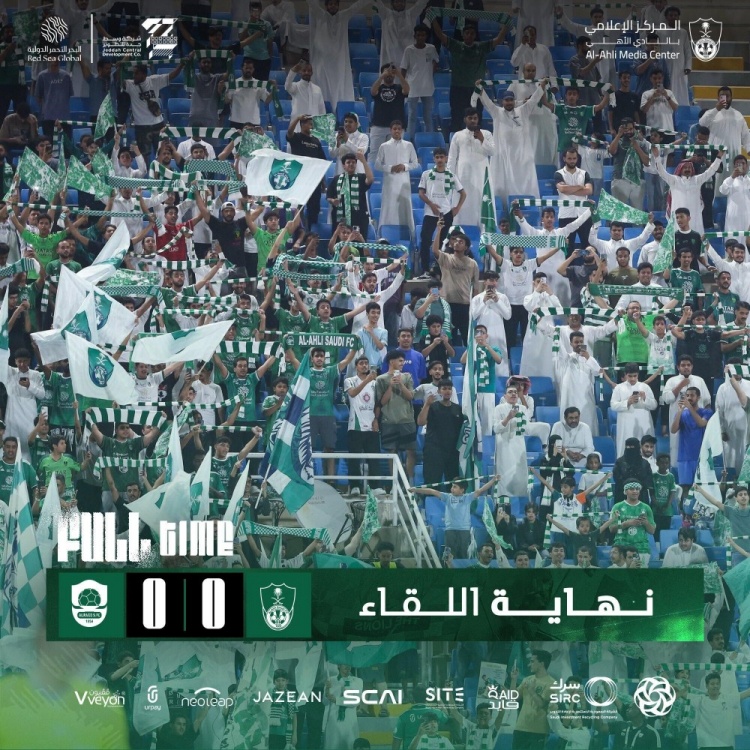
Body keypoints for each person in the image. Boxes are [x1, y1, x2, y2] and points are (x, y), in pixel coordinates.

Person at [476, 78, 548, 207]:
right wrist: (480, 88)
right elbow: (486, 102)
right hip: (504, 156)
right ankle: (503, 207)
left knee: (524, 182)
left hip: (521, 157)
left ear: (514, 101)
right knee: (502, 184)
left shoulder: (523, 110)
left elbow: (534, 99)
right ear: (502, 102)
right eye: (506, 100)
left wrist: (542, 86)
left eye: (511, 100)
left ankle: (528, 207)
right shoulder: (496, 112)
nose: (509, 102)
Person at [430, 20, 509, 133]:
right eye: (467, 33)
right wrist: (433, 19)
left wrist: (506, 24)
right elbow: (439, 34)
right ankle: (455, 140)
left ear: (475, 35)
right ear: (463, 34)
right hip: (458, 88)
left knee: (476, 118)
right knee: (456, 117)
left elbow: (498, 40)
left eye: (472, 33)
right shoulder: (456, 45)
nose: (469, 35)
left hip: (476, 89)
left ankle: (477, 140)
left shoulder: (481, 47)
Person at [515, 203, 594, 306]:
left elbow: (576, 223)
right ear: (542, 219)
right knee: (541, 304)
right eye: (547, 217)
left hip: (559, 273)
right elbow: (526, 227)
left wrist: (589, 210)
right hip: (543, 273)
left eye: (551, 217)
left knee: (563, 304)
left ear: (554, 219)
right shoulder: (537, 234)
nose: (549, 219)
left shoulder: (561, 233)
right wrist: (520, 217)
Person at [411, 476, 500, 558]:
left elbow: (481, 490)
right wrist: (415, 489)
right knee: (449, 556)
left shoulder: (467, 497)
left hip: (464, 531)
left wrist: (493, 480)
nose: (451, 489)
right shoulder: (447, 497)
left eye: (454, 487)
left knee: (463, 556)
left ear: (462, 490)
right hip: (450, 531)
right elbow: (431, 491)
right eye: (452, 486)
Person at [308, 0, 371, 108]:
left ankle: (340, 110)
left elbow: (356, 6)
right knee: (323, 86)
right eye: (330, 4)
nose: (333, 6)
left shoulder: (344, 16)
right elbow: (311, 3)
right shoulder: (320, 15)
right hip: (323, 62)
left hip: (339, 61)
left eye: (335, 4)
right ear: (326, 6)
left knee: (340, 86)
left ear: (338, 6)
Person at [652, 147, 725, 236]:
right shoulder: (674, 180)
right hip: (678, 215)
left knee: (696, 235)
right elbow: (661, 172)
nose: (687, 169)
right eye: (685, 168)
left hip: (694, 215)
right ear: (680, 169)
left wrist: (718, 157)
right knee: (677, 235)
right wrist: (657, 158)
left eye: (689, 168)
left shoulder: (697, 180)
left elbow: (711, 170)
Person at [417, 146, 466, 275]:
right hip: (430, 213)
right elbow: (421, 193)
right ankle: (425, 270)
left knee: (444, 242)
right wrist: (431, 205)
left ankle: (440, 270)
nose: (439, 160)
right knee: (425, 240)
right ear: (434, 159)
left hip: (446, 213)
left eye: (442, 157)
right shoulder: (426, 174)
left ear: (446, 158)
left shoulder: (451, 176)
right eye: (437, 157)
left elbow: (463, 193)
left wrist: (457, 208)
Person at [120, 60, 185, 157]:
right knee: (143, 155)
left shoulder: (154, 81)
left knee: (164, 152)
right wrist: (119, 67)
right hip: (141, 126)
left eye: (136, 73)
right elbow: (118, 80)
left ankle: (161, 168)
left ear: (144, 74)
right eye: (133, 73)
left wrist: (182, 64)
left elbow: (171, 76)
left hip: (158, 124)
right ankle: (145, 168)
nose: (134, 76)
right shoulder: (130, 84)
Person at [431, 218, 479, 345]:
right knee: (446, 338)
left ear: (466, 247)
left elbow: (476, 287)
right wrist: (439, 230)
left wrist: (474, 305)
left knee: (467, 339)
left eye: (460, 242)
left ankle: (469, 358)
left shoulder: (473, 263)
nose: (457, 243)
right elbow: (435, 250)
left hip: (464, 305)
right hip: (447, 305)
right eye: (455, 241)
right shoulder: (446, 258)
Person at [446, 107, 494, 227]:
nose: (473, 120)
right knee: (463, 204)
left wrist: (482, 139)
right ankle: (459, 231)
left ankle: (483, 232)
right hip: (463, 177)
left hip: (482, 177)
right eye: (470, 118)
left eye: (475, 118)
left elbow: (492, 152)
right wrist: (450, 178)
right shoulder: (458, 135)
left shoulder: (486, 134)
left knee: (481, 203)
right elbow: (452, 158)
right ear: (465, 119)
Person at [498, 651, 554, 749]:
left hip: (538, 730)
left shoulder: (551, 683)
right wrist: (514, 679)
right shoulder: (527, 679)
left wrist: (531, 691)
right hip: (520, 727)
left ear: (541, 664)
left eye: (532, 661)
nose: (529, 664)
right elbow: (513, 697)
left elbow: (542, 704)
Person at [376, 350, 418, 481]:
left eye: (403, 361)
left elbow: (410, 396)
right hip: (389, 421)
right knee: (391, 452)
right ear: (391, 361)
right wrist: (390, 386)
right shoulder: (381, 379)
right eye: (400, 361)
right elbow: (381, 402)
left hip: (407, 420)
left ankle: (410, 482)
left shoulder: (407, 377)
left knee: (411, 451)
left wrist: (400, 384)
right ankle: (395, 482)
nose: (402, 363)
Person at [699, 86, 750, 189]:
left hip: (734, 155)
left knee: (734, 185)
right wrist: (717, 109)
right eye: (722, 96)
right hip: (716, 156)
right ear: (718, 98)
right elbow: (702, 123)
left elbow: (746, 136)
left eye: (728, 96)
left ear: (731, 98)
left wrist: (749, 150)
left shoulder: (738, 115)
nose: (725, 98)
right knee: (715, 185)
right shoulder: (711, 113)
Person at [553, 335, 602, 442]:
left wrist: (588, 358)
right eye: (576, 342)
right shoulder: (567, 358)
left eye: (581, 341)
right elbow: (559, 346)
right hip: (570, 399)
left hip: (586, 400)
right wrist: (555, 333)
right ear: (571, 344)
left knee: (588, 426)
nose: (579, 344)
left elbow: (598, 372)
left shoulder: (590, 359)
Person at [685, 672, 750, 750]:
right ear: (706, 686)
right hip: (705, 746)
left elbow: (747, 693)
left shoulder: (728, 699)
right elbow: (681, 694)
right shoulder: (700, 700)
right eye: (712, 684)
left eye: (717, 683)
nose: (715, 686)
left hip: (726, 745)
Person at [417, 379, 465, 486]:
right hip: (434, 450)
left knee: (452, 483)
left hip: (452, 451)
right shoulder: (432, 407)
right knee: (432, 481)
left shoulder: (457, 409)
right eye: (444, 389)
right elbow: (420, 422)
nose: (447, 391)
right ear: (439, 391)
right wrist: (427, 404)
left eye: (449, 389)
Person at [375, 120, 419, 234]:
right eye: (394, 129)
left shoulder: (408, 145)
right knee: (388, 206)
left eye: (399, 129)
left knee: (404, 206)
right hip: (389, 182)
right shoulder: (384, 146)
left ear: (402, 131)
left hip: (403, 182)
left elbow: (415, 163)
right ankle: (385, 233)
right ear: (390, 130)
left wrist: (404, 166)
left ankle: (408, 234)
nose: (397, 131)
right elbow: (377, 165)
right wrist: (390, 168)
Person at [400, 23, 440, 142]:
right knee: (412, 116)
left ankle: (429, 139)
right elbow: (403, 69)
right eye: (418, 35)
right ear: (415, 36)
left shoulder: (431, 48)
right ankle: (410, 140)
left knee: (428, 116)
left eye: (423, 35)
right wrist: (403, 85)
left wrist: (431, 72)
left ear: (426, 36)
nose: (421, 37)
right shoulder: (409, 50)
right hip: (412, 86)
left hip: (427, 87)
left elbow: (436, 61)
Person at [552, 147, 595, 252]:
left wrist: (569, 189)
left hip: (584, 215)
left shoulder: (584, 174)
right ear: (564, 159)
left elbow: (589, 191)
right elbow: (562, 189)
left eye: (574, 158)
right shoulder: (558, 174)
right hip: (566, 215)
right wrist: (580, 186)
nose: (572, 161)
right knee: (566, 248)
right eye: (569, 158)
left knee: (588, 246)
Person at [610, 363, 658, 457]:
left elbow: (654, 405)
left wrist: (645, 398)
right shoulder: (619, 388)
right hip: (625, 425)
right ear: (625, 375)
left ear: (638, 375)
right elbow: (613, 406)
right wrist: (627, 402)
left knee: (645, 451)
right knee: (625, 450)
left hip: (644, 424)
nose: (632, 379)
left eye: (635, 376)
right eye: (630, 376)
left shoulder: (645, 387)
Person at [468, 271, 510, 374]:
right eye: (491, 280)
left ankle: (501, 378)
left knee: (499, 360)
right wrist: (484, 301)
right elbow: (473, 316)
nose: (494, 283)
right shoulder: (477, 298)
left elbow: (508, 316)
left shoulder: (503, 297)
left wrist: (497, 301)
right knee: (482, 358)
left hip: (498, 332)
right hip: (482, 333)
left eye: (496, 280)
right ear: (485, 282)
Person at [327, 152, 374, 240]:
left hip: (359, 218)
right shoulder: (336, 179)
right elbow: (329, 196)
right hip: (341, 219)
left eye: (353, 162)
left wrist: (364, 161)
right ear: (344, 166)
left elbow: (370, 179)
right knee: (339, 244)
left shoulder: (361, 177)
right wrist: (333, 201)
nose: (351, 164)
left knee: (358, 244)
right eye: (348, 162)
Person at [493, 385, 530, 498]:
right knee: (504, 474)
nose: (513, 394)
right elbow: (496, 429)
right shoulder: (499, 408)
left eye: (515, 392)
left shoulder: (523, 408)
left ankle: (521, 500)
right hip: (504, 447)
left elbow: (527, 428)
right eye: (510, 392)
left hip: (519, 446)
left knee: (520, 475)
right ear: (505, 396)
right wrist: (508, 417)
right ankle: (503, 501)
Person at [610, 479, 656, 565]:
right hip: (621, 548)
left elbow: (652, 531)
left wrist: (646, 522)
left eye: (637, 489)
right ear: (625, 491)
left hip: (641, 548)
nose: (635, 491)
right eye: (631, 489)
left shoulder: (646, 508)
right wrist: (627, 523)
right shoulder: (617, 507)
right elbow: (611, 529)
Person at [369, 63, 409, 159]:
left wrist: (399, 74)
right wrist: (382, 76)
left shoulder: (399, 88)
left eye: (391, 73)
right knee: (375, 154)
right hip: (378, 125)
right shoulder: (379, 88)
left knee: (394, 155)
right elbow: (373, 92)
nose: (389, 75)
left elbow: (407, 90)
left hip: (396, 127)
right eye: (387, 72)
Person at [323, 663, 364, 750]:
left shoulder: (357, 681)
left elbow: (355, 701)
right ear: (338, 665)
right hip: (333, 721)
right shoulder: (331, 680)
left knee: (349, 746)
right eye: (344, 664)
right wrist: (326, 690)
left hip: (349, 722)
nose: (347, 666)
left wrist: (337, 700)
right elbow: (325, 702)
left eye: (349, 664)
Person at [719, 154, 750, 232]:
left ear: (747, 166)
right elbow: (723, 190)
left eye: (743, 163)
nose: (741, 165)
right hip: (734, 218)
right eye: (738, 164)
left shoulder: (749, 181)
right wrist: (732, 177)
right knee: (733, 237)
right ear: (734, 166)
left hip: (748, 217)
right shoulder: (729, 180)